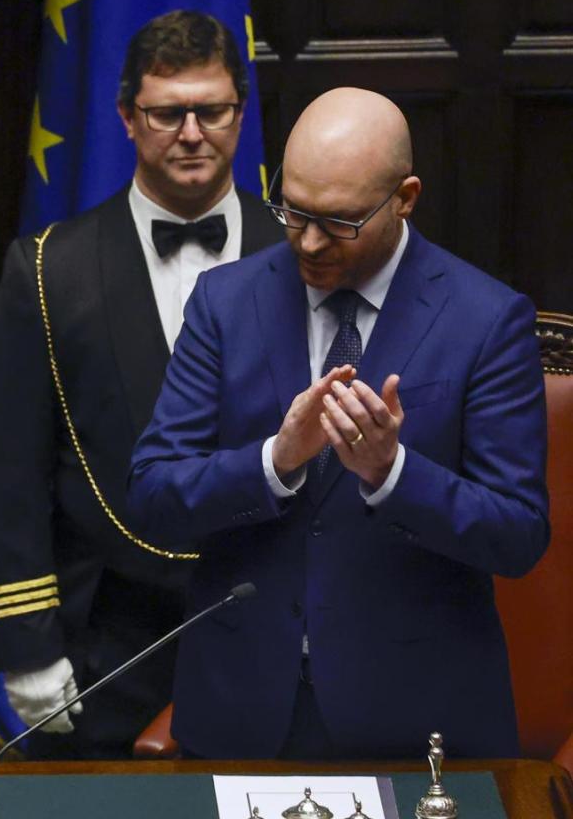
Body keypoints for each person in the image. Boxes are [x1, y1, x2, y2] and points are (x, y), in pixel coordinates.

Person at [126, 87, 549, 759]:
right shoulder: (224, 304)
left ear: (405, 197)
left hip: (417, 720)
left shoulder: (487, 320)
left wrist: (392, 474)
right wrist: (274, 461)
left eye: (340, 221)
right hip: (244, 709)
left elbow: (519, 535)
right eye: (292, 210)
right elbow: (152, 496)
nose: (310, 241)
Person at [0, 11, 280, 758]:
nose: (191, 132)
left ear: (239, 113)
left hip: (275, 615)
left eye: (211, 110)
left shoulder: (300, 252)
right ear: (126, 118)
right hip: (105, 640)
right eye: (167, 113)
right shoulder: (48, 268)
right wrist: (27, 645)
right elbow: (12, 472)